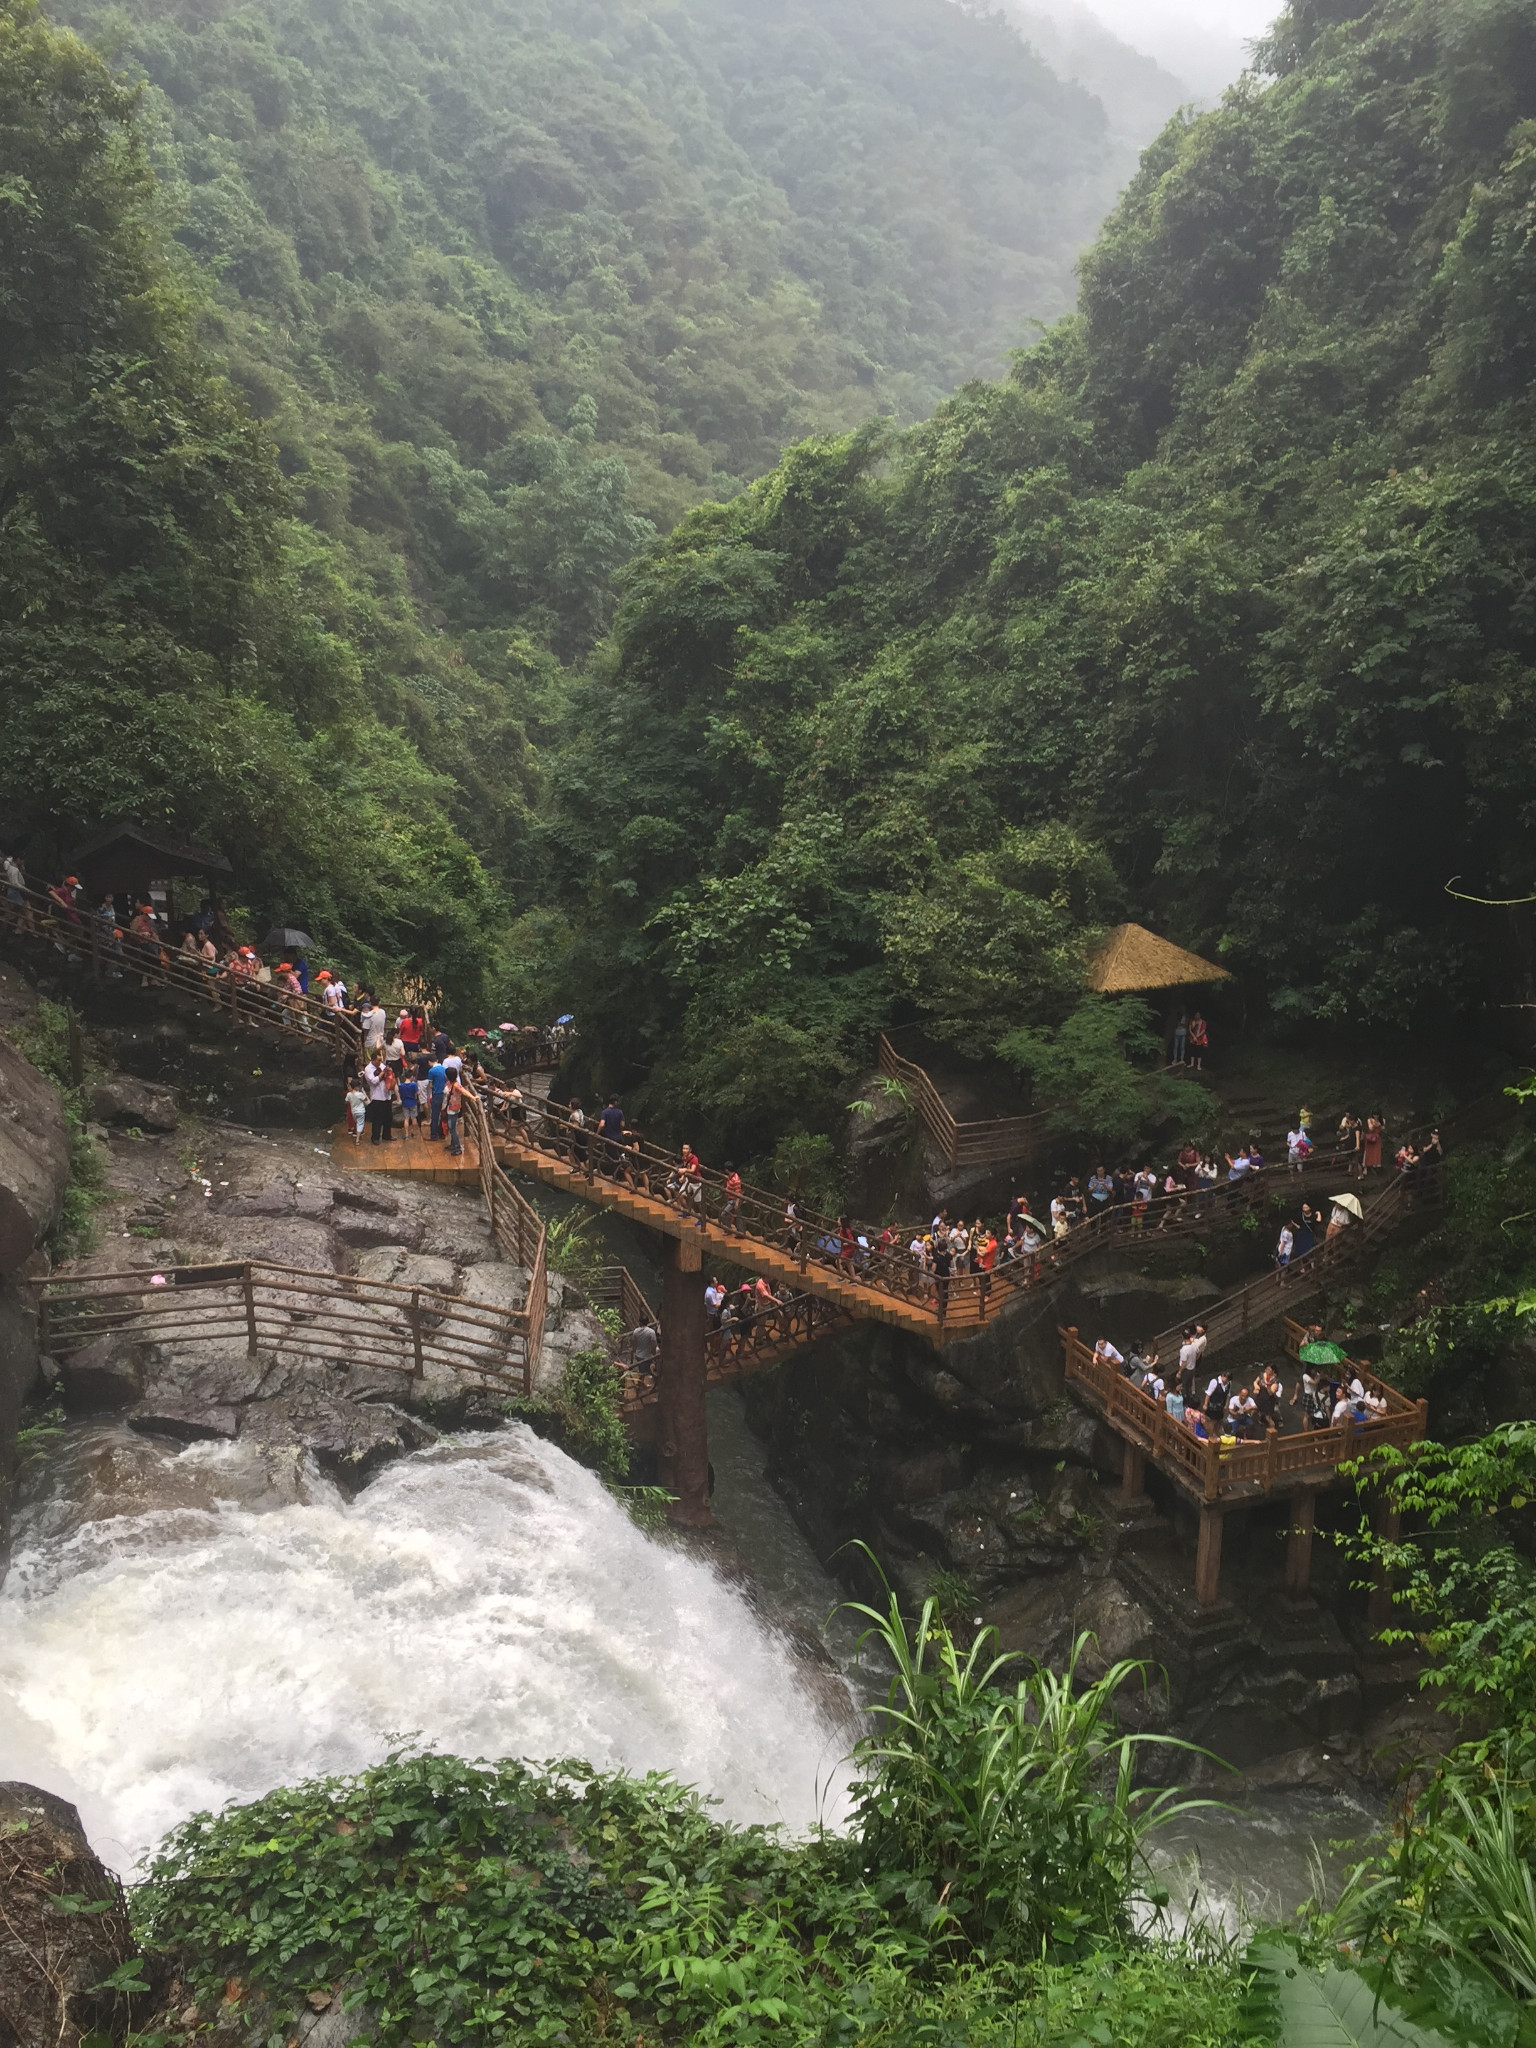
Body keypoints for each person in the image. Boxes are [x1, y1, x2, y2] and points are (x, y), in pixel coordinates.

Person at [364, 1057, 392, 1145]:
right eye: (378, 1060)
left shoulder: (381, 1065)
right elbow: (374, 1081)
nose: (380, 1062)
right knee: (377, 1119)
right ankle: (375, 1137)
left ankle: (387, 1135)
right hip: (377, 1096)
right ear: (373, 1059)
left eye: (381, 1060)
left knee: (388, 1117)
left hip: (386, 1095)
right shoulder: (368, 1069)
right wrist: (383, 1073)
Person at [427, 1054, 448, 1142]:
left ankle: (433, 1135)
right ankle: (442, 1133)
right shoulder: (444, 1069)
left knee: (435, 1115)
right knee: (443, 1114)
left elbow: (430, 1085)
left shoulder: (431, 1071)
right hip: (444, 1094)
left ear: (429, 1062)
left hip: (436, 1094)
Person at [445, 1071, 465, 1157]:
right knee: (451, 1127)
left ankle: (457, 1148)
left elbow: (463, 1091)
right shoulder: (448, 1083)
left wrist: (473, 1097)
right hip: (450, 1107)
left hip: (454, 1108)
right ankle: (453, 1144)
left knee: (452, 1128)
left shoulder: (456, 1085)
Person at [398, 1068, 420, 1139]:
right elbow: (418, 1093)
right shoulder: (414, 1085)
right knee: (413, 1118)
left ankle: (406, 1134)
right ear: (411, 1077)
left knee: (406, 1119)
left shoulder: (401, 1086)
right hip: (413, 1103)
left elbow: (400, 1093)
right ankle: (413, 1132)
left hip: (405, 1103)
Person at [345, 1079, 368, 1143]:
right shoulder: (360, 1094)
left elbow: (346, 1101)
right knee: (360, 1124)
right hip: (361, 1111)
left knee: (357, 1122)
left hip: (354, 1112)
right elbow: (365, 1099)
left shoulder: (349, 1094)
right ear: (356, 1087)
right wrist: (363, 1093)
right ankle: (357, 1139)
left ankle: (358, 1132)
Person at [723, 1164, 743, 1233]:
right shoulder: (730, 1176)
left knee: (725, 1214)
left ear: (727, 1170)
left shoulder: (735, 1180)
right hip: (730, 1199)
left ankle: (731, 1230)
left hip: (734, 1200)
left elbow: (738, 1193)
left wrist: (737, 1203)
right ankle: (736, 1231)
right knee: (734, 1216)